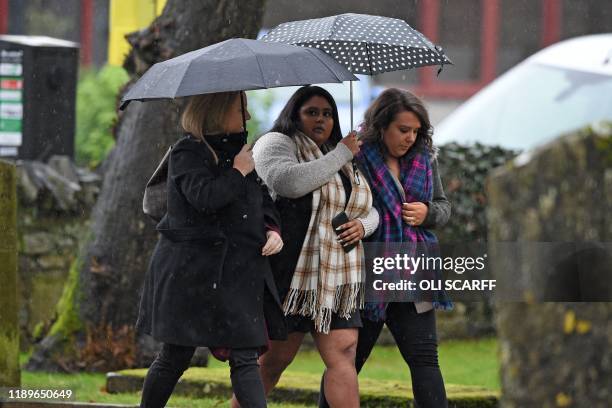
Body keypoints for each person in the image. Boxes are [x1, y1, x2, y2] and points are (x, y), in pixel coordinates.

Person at [136, 91, 287, 408]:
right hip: (192, 275)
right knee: (175, 357)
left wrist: (272, 230)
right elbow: (205, 198)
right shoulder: (187, 152)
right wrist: (237, 171)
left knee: (245, 358)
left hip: (238, 273)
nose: (246, 117)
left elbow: (260, 201)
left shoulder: (240, 152)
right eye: (240, 108)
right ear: (217, 111)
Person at [246, 85, 379, 408]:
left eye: (328, 113)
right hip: (290, 272)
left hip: (337, 275)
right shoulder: (275, 142)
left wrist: (364, 226)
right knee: (276, 359)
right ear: (294, 115)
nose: (321, 120)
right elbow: (289, 183)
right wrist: (342, 153)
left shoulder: (341, 157)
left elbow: (367, 206)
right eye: (312, 112)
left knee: (344, 352)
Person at [320, 88, 452, 408]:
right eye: (403, 130)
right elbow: (336, 209)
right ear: (382, 126)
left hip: (414, 270)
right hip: (366, 273)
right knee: (348, 360)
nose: (410, 138)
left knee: (424, 358)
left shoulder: (424, 158)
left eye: (416, 131)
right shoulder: (356, 157)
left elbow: (443, 207)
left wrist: (427, 213)